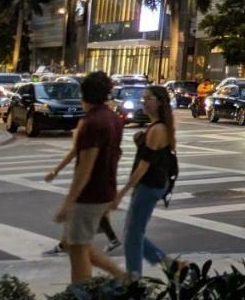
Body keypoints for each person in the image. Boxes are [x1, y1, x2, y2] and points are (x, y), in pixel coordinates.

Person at [54, 70, 125, 284]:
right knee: (73, 243)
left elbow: (85, 167)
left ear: (83, 93)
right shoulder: (113, 118)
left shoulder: (91, 123)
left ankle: (82, 297)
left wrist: (68, 202)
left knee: (76, 249)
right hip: (105, 190)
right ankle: (122, 277)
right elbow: (116, 155)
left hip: (89, 195)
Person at [112, 85, 177, 277]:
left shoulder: (158, 129)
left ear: (158, 102)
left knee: (132, 236)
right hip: (150, 184)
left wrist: (122, 192)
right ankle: (171, 266)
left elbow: (144, 165)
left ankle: (134, 280)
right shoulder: (157, 127)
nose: (143, 102)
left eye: (148, 98)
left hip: (149, 185)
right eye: (143, 98)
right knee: (133, 233)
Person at [43, 121, 121, 255]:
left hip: (89, 179)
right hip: (98, 179)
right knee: (95, 212)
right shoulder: (103, 127)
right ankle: (111, 239)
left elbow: (73, 152)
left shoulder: (88, 128)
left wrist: (55, 171)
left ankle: (67, 246)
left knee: (76, 212)